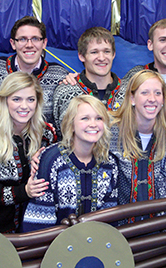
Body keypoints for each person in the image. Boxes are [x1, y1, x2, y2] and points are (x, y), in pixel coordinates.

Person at [0, 72, 57, 233]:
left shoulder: (47, 134)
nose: (24, 106)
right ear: (4, 100)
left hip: (35, 229)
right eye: (17, 99)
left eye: (30, 99)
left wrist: (46, 158)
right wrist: (24, 192)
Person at [21, 95, 119, 232]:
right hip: (53, 246)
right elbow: (39, 220)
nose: (93, 124)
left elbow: (109, 218)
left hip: (96, 243)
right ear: (71, 124)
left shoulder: (109, 163)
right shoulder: (50, 160)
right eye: (85, 118)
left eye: (99, 118)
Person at [110, 69, 166, 222]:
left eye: (158, 93)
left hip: (161, 228)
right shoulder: (111, 131)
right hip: (120, 228)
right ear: (132, 98)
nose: (152, 99)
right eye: (145, 93)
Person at [0, 16, 69, 127]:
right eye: (22, 39)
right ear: (13, 43)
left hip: (42, 142)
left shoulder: (59, 74)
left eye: (35, 39)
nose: (29, 45)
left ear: (44, 43)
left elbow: (67, 120)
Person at [52, 26, 128, 139]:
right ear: (81, 56)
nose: (101, 58)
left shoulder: (129, 92)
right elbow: (61, 137)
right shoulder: (65, 92)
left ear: (113, 55)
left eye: (107, 51)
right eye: (94, 52)